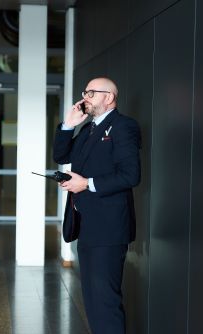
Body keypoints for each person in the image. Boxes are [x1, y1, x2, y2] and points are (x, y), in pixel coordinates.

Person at [53, 77, 141, 334]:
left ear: (109, 97)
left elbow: (131, 175)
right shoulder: (88, 129)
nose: (85, 97)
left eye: (91, 92)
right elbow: (61, 155)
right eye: (85, 92)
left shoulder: (124, 127)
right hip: (87, 225)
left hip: (109, 228)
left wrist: (86, 183)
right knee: (92, 301)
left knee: (105, 301)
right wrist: (68, 125)